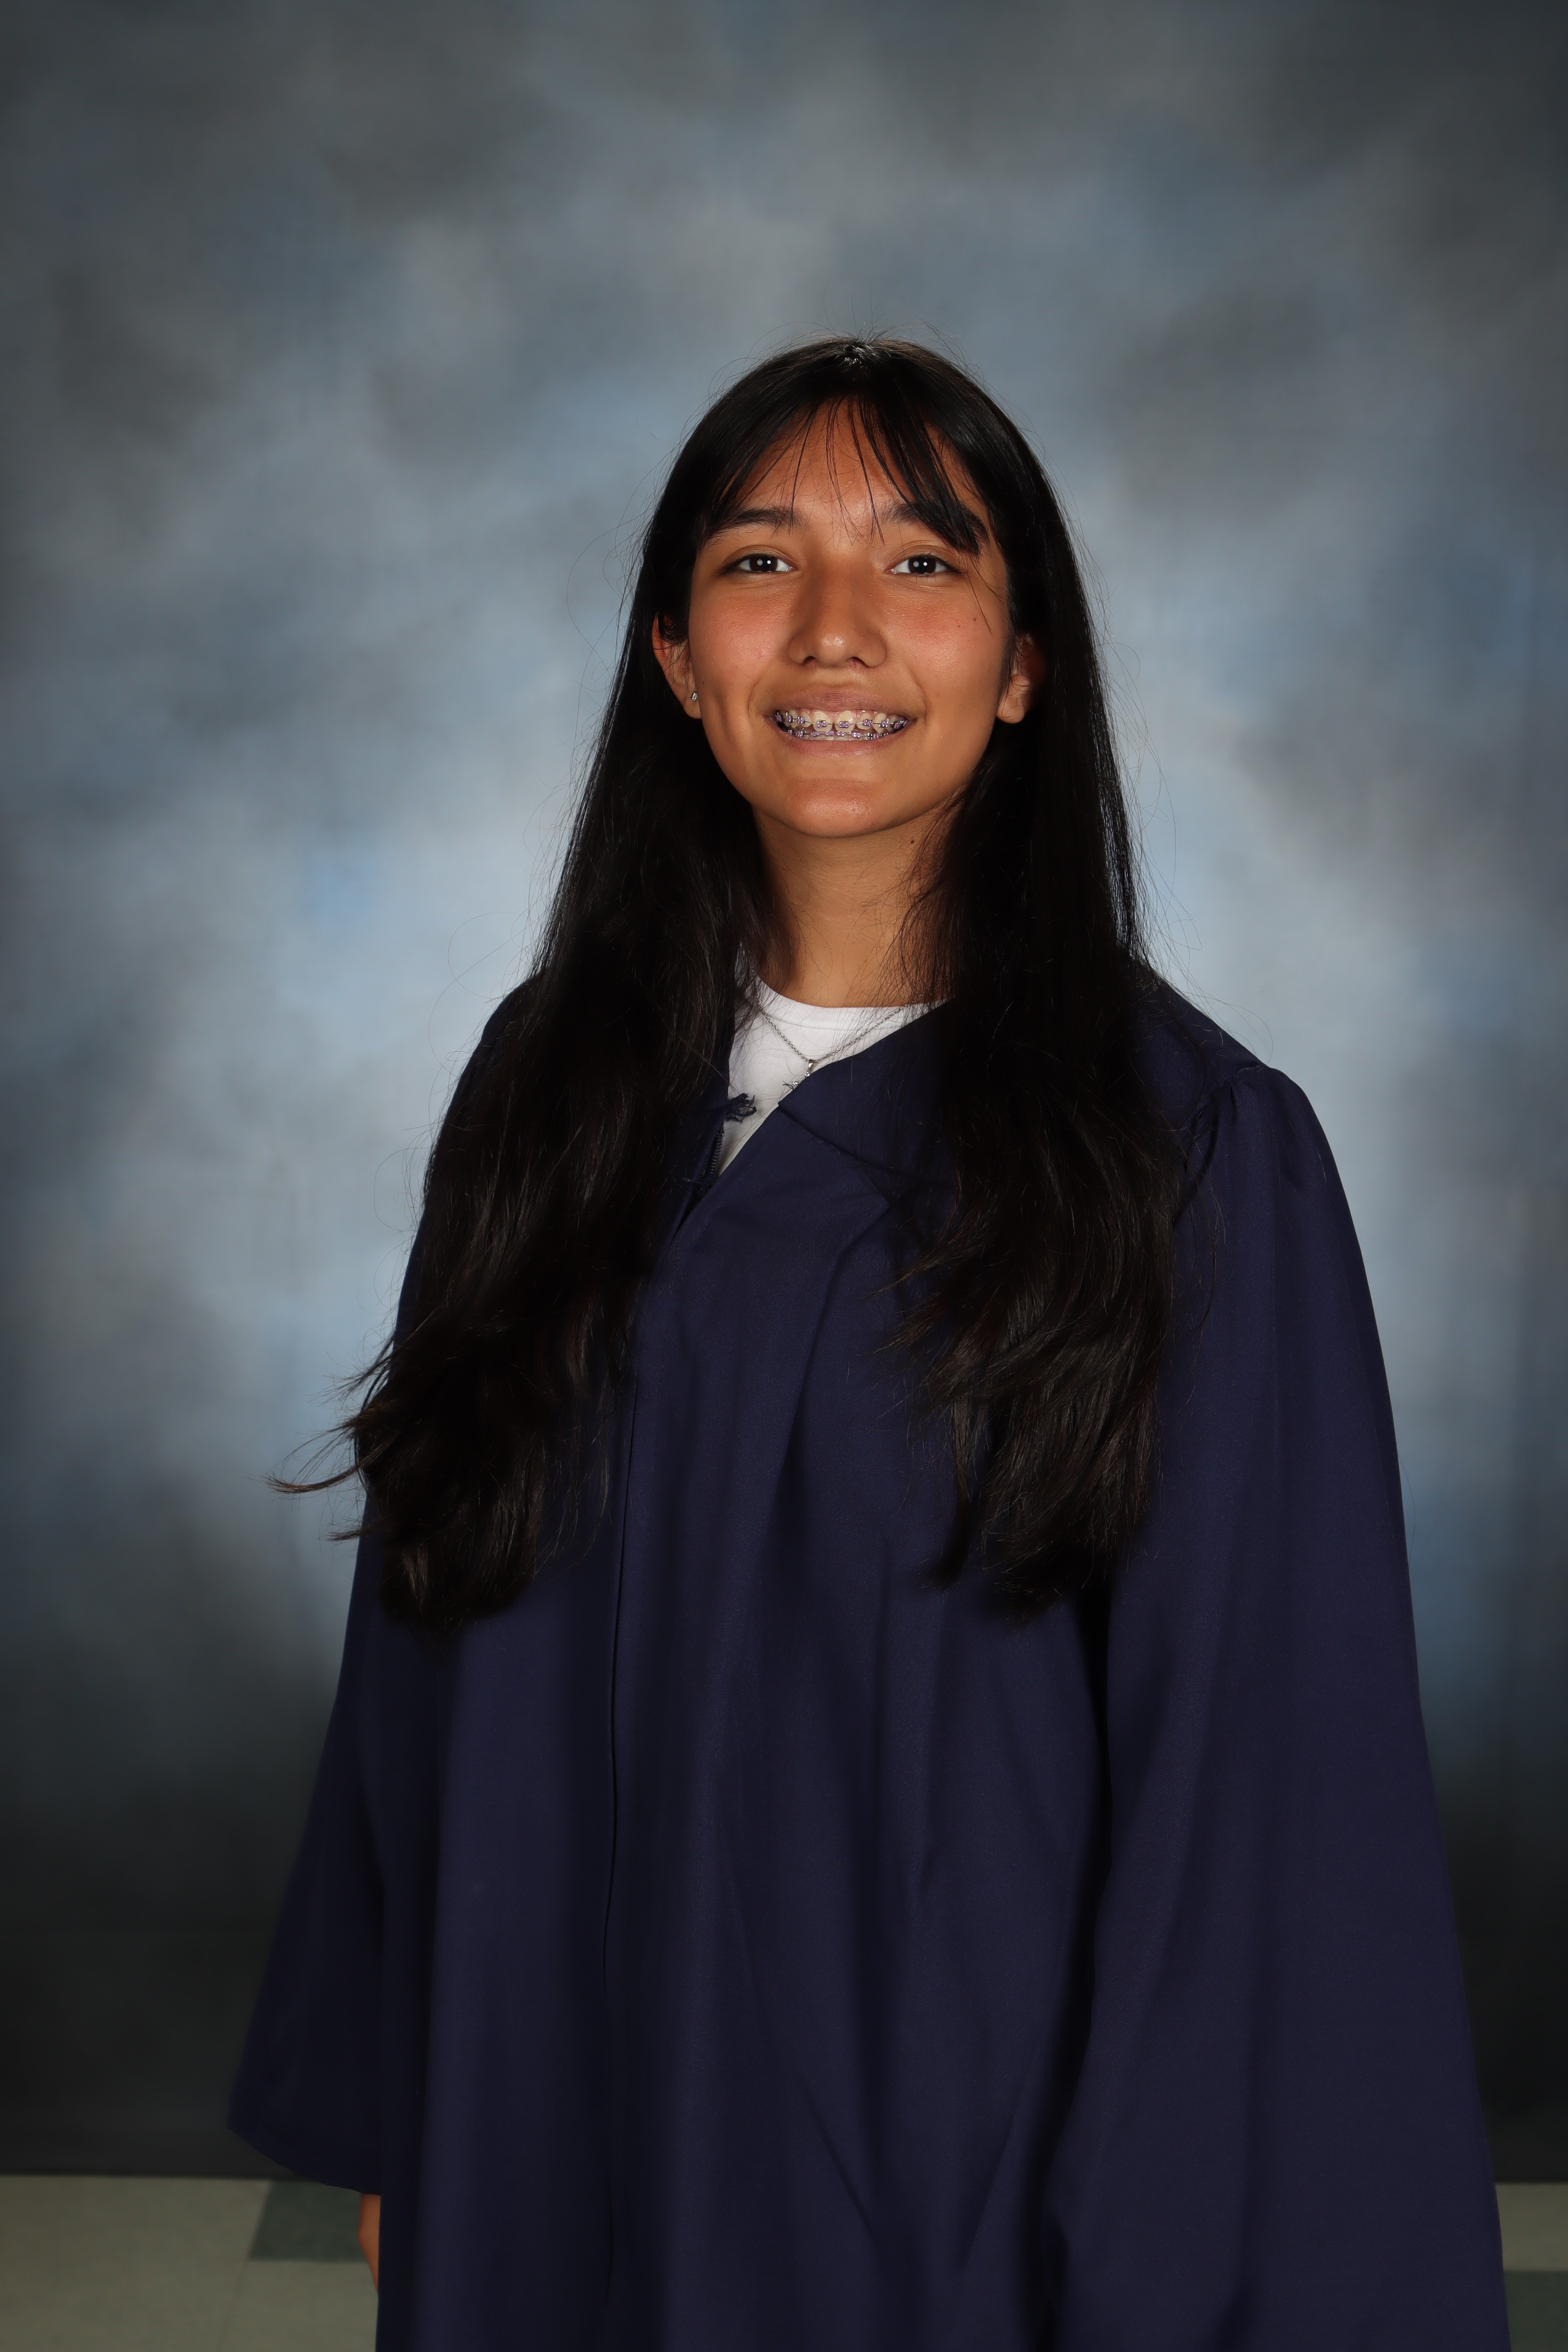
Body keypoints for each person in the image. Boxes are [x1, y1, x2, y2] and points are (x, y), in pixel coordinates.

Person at [230, 339, 1508, 2350]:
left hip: (934, 2183)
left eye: (924, 562)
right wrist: (407, 2097)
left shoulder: (1182, 1154)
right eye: (759, 563)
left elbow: (1259, 1783)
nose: (835, 627)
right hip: (542, 2109)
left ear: (1023, 663)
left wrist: (1166, 2266)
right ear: (676, 656)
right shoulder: (549, 1087)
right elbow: (425, 1620)